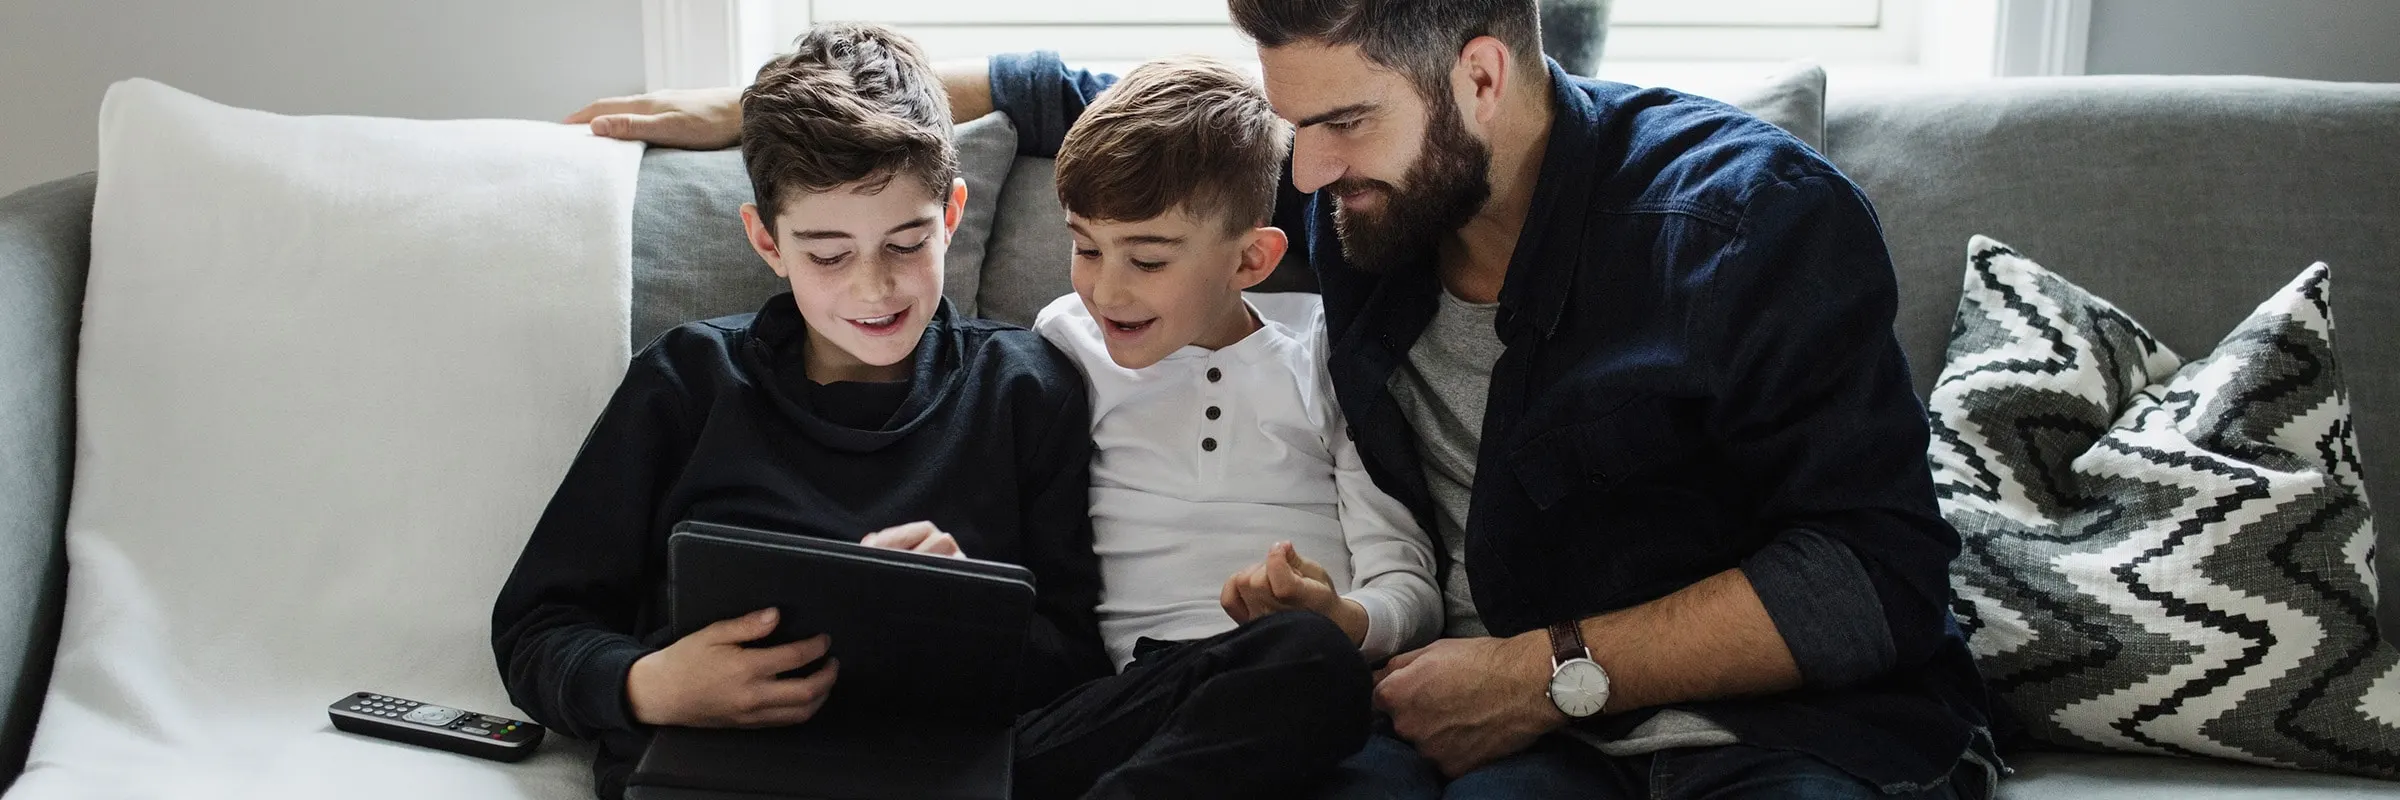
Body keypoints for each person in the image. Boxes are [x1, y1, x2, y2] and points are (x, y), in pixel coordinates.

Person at [564, 1, 1998, 797]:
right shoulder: (1352, 198)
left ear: (1482, 77)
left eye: (1337, 126)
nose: (1303, 174)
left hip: (1780, 737)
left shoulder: (1749, 222)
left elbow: (1871, 579)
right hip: (1524, 741)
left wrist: (1537, 669)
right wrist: (756, 114)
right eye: (1291, 125)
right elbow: (1085, 101)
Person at [498, 24, 1369, 800]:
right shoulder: (687, 381)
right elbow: (538, 625)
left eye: (907, 244)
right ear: (767, 242)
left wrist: (961, 610)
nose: (872, 287)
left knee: (1306, 660)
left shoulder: (1028, 384)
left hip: (971, 764)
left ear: (952, 213)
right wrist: (646, 684)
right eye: (827, 253)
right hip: (729, 769)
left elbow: (1070, 654)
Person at [1031, 56, 1442, 672]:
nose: (1107, 293)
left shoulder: (1326, 355)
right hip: (1142, 692)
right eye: (1086, 247)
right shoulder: (1065, 344)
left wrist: (1340, 618)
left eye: (1147, 261)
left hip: (1308, 681)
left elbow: (1408, 584)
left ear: (1250, 260)